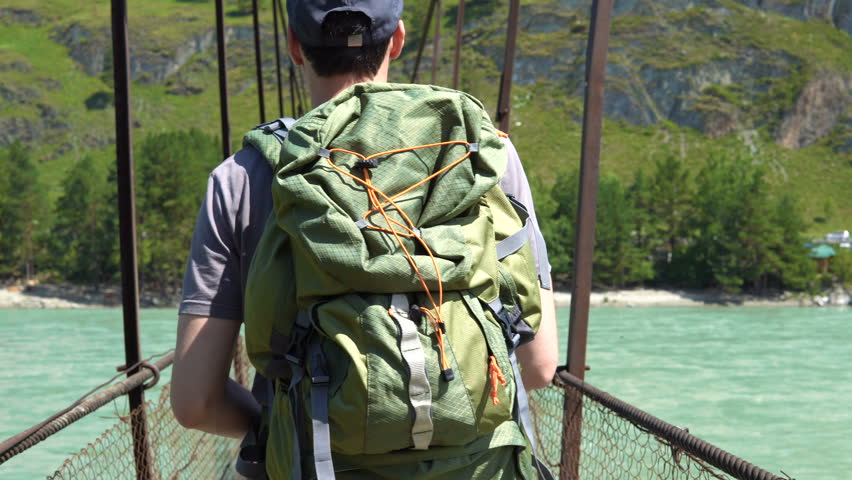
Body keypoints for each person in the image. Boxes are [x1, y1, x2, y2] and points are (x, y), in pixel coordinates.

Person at [172, 0, 557, 475]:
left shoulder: (243, 177)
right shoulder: (483, 157)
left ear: (294, 46)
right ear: (397, 39)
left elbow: (195, 402)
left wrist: (287, 423)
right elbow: (539, 365)